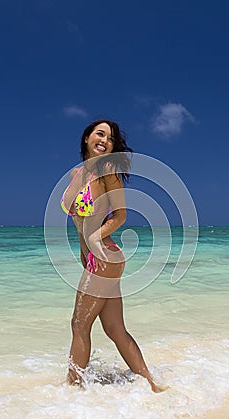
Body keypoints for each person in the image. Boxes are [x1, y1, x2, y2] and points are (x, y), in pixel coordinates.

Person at [61, 119, 164, 393]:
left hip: (104, 256)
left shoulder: (107, 171)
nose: (105, 140)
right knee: (114, 329)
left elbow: (121, 215)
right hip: (97, 260)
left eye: (110, 138)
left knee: (79, 324)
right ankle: (152, 386)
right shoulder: (75, 174)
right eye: (100, 134)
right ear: (87, 138)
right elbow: (79, 221)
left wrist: (95, 238)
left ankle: (72, 392)